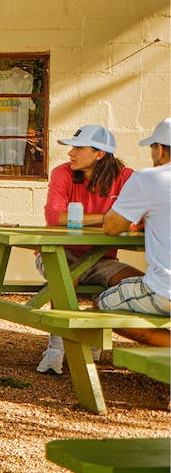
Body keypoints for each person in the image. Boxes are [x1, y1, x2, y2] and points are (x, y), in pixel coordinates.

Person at [35, 124, 136, 374]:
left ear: (99, 154)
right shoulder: (62, 173)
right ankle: (56, 349)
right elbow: (55, 217)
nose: (71, 153)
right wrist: (108, 218)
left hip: (102, 259)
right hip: (57, 253)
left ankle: (92, 336)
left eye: (79, 148)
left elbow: (137, 220)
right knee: (67, 276)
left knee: (136, 283)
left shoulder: (127, 177)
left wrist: (87, 219)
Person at [100, 118, 171, 347]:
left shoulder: (147, 178)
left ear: (160, 149)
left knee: (102, 306)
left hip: (165, 290)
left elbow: (111, 227)